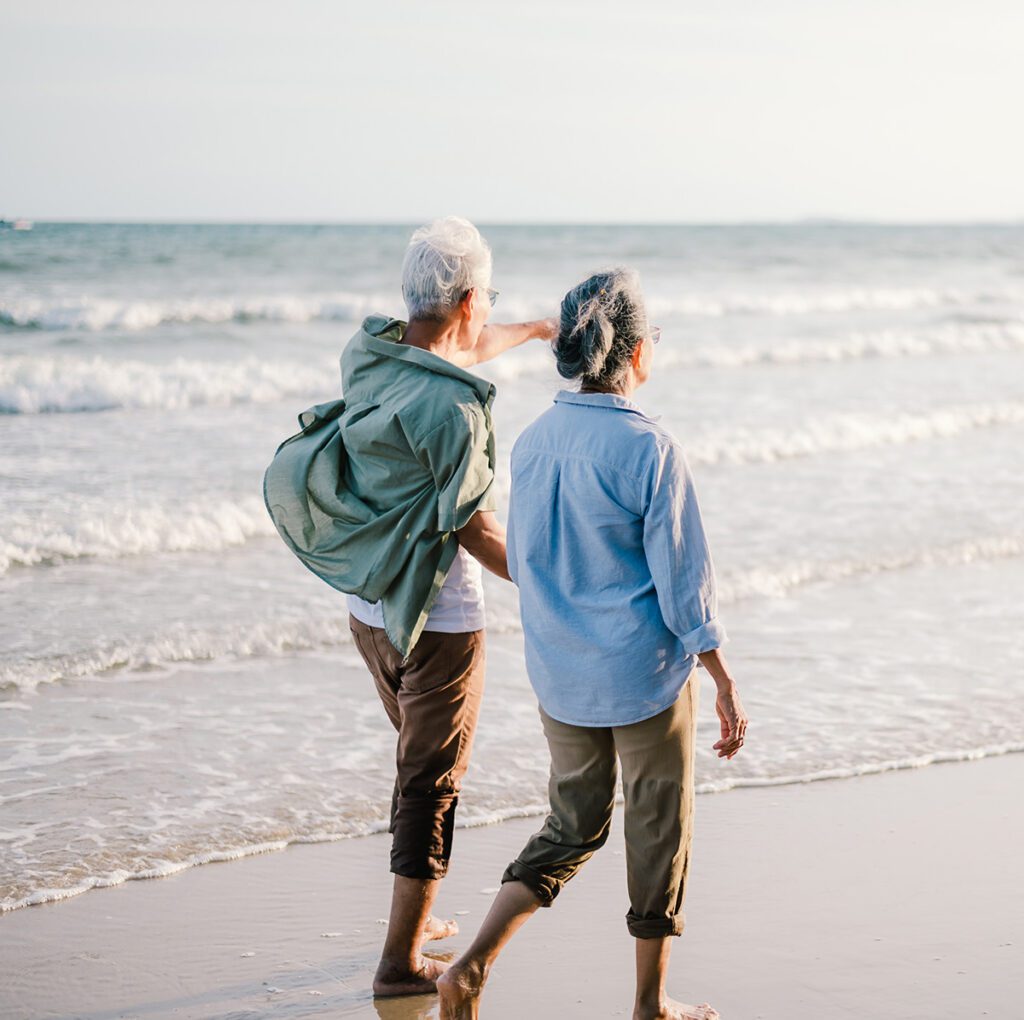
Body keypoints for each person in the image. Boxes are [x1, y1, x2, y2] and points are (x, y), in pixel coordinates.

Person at [438, 268, 748, 1020]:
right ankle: (650, 1003)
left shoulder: (535, 442)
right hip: (644, 677)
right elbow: (684, 584)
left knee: (572, 825)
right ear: (636, 351)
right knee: (658, 830)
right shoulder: (651, 449)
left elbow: (532, 558)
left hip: (562, 674)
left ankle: (472, 966)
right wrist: (722, 675)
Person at [263, 217, 555, 997]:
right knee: (433, 784)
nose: (488, 311)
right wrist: (554, 576)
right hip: (440, 625)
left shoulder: (370, 354)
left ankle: (414, 920)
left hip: (370, 612)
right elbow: (474, 529)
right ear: (466, 300)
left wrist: (530, 330)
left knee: (412, 767)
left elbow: (456, 351)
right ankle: (399, 963)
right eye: (487, 300)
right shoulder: (455, 414)